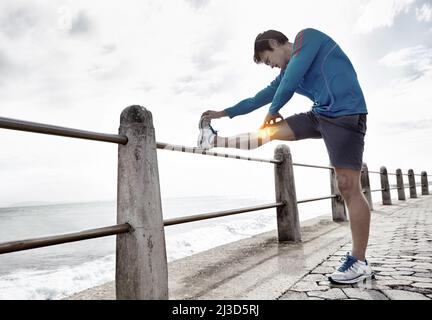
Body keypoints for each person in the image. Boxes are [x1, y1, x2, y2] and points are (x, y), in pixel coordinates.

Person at [197, 28, 373, 285]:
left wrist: (274, 109)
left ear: (274, 43)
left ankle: (359, 261)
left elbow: (291, 80)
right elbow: (257, 99)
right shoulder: (284, 74)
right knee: (266, 134)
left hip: (346, 114)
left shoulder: (308, 38)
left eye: (269, 60)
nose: (272, 67)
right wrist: (222, 113)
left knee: (347, 186)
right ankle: (211, 140)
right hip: (319, 115)